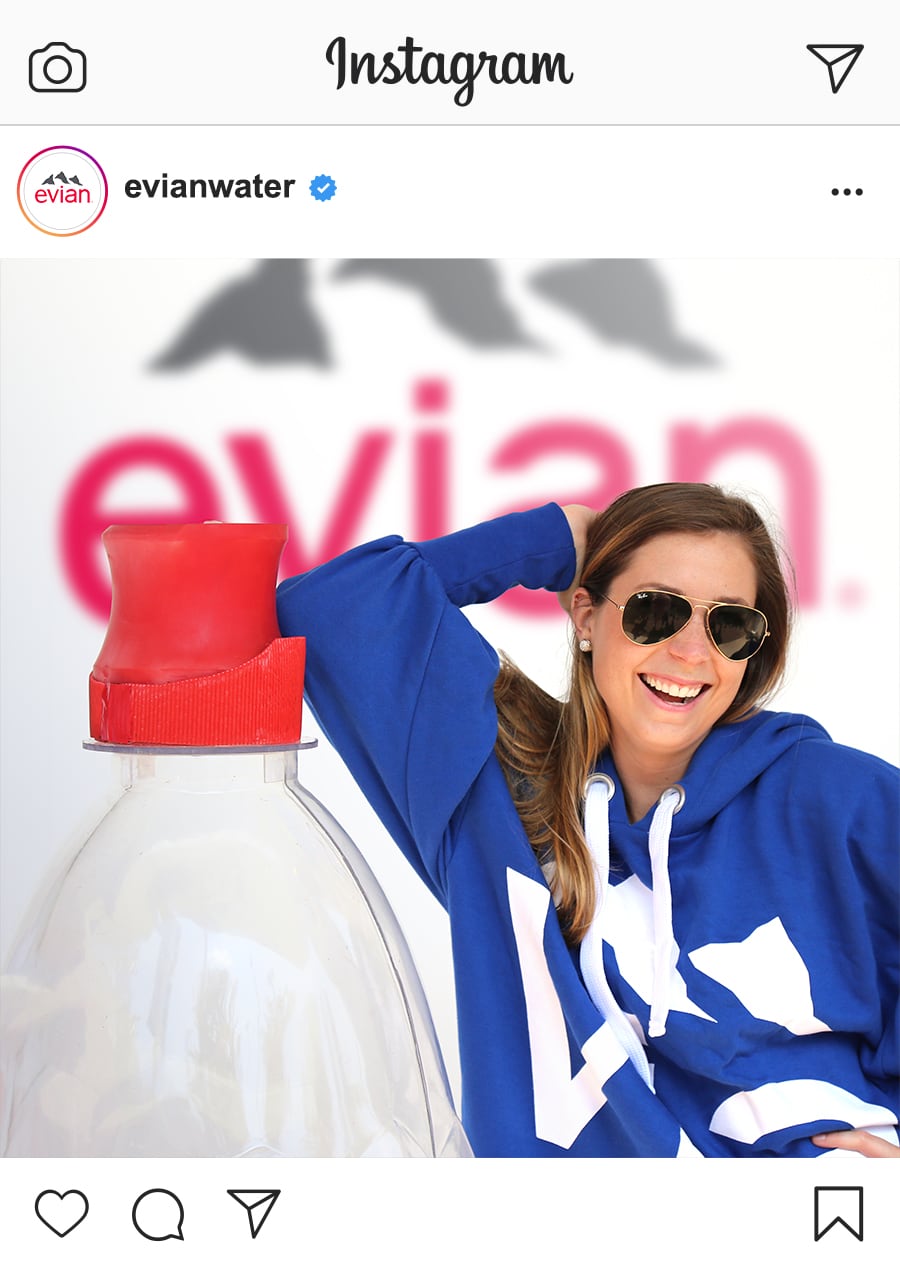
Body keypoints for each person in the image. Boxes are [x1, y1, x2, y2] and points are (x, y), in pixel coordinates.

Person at [276, 483, 899, 1157]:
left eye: (729, 627)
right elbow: (334, 607)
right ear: (584, 616)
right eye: (655, 612)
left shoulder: (837, 800)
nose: (692, 652)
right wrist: (548, 544)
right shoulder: (497, 806)